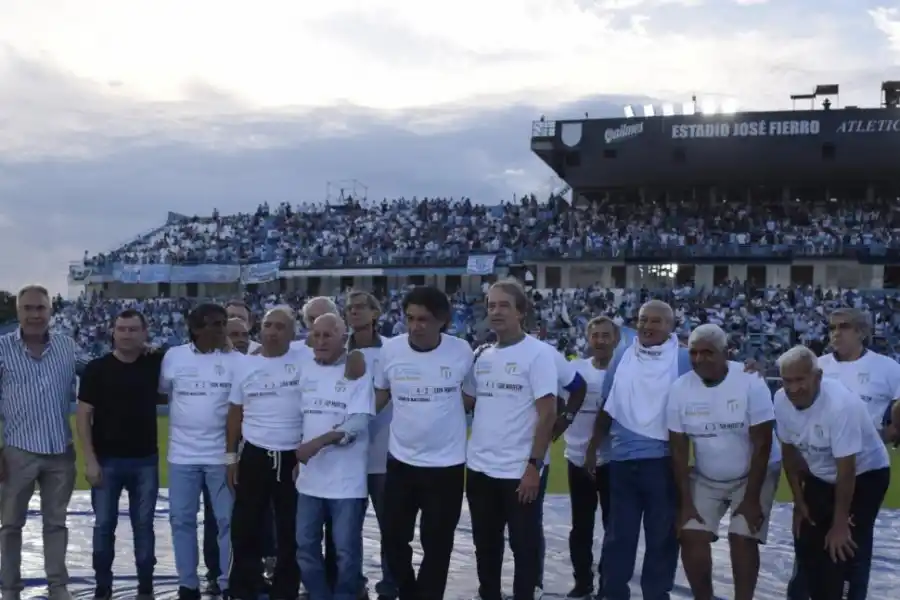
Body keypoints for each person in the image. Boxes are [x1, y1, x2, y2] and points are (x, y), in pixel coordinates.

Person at [667, 324, 781, 600]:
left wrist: (751, 499)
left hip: (754, 471)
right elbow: (679, 448)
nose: (699, 359)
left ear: (726, 352)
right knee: (691, 534)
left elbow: (763, 442)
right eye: (694, 352)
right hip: (707, 475)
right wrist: (685, 503)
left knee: (742, 535)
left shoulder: (750, 380)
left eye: (708, 352)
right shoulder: (680, 388)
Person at [374, 286, 473, 600]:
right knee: (392, 537)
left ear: (442, 320)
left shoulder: (461, 351)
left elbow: (470, 397)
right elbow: (380, 395)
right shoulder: (391, 351)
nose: (415, 326)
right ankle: (409, 590)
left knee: (438, 543)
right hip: (401, 462)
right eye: (410, 318)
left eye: (423, 320)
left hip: (446, 466)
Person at [462, 280, 558, 600]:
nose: (496, 311)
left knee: (524, 548)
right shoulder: (482, 355)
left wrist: (534, 465)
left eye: (504, 305)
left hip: (519, 471)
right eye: (491, 305)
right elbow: (467, 402)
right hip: (480, 468)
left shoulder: (539, 354)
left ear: (521, 312)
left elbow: (548, 415)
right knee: (485, 547)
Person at [776, 345, 890, 600]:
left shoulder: (840, 406)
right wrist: (799, 501)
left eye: (800, 380)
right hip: (821, 475)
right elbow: (789, 452)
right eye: (787, 381)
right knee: (807, 539)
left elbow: (847, 470)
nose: (793, 388)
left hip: (865, 474)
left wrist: (840, 523)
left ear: (817, 377)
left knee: (844, 548)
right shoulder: (781, 400)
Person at [596, 300, 692, 600]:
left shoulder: (684, 359)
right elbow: (607, 405)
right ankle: (612, 594)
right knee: (618, 538)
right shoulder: (622, 356)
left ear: (670, 326)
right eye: (642, 320)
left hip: (663, 463)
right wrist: (592, 449)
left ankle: (656, 595)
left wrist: (750, 369)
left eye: (656, 321)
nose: (648, 326)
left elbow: (719, 376)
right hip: (622, 461)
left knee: (661, 539)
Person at [76, 309, 164, 600]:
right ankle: (103, 587)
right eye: (122, 329)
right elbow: (83, 416)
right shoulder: (97, 369)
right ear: (113, 332)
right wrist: (89, 459)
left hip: (145, 460)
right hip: (107, 460)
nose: (127, 334)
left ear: (144, 333)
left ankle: (146, 588)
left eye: (133, 329)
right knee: (103, 526)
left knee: (144, 526)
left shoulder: (155, 362)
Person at [159, 303, 245, 600]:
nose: (222, 329)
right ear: (196, 329)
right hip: (182, 456)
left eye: (223, 323)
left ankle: (226, 581)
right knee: (181, 520)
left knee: (227, 521)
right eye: (215, 324)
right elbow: (164, 389)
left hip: (220, 457)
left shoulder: (237, 361)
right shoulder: (174, 357)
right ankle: (187, 584)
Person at [0, 285, 79, 600]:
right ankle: (8, 587)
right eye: (28, 308)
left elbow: (101, 373)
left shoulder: (68, 347)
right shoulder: (2, 348)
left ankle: (58, 586)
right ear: (18, 311)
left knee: (56, 524)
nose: (35, 315)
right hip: (17, 450)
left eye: (41, 308)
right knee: (9, 525)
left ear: (50, 311)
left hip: (60, 451)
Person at [294, 314, 375, 600]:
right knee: (305, 545)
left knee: (345, 551)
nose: (320, 341)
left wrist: (319, 442)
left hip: (346, 481)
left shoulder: (357, 372)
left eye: (328, 335)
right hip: (309, 480)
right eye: (316, 335)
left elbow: (358, 423)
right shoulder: (305, 369)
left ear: (344, 337)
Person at [226, 306, 304, 600]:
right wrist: (231, 457)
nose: (272, 331)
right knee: (245, 526)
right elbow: (235, 413)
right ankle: (244, 586)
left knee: (290, 528)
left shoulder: (305, 360)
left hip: (292, 457)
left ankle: (285, 590)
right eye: (268, 325)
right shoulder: (245, 366)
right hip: (255, 453)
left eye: (280, 326)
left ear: (293, 334)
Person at [346, 290, 396, 600]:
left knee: (390, 528)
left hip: (384, 453)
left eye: (360, 307)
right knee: (346, 531)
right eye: (349, 308)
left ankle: (390, 586)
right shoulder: (338, 349)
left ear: (375, 313)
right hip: (347, 455)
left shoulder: (393, 350)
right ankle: (353, 584)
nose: (353, 312)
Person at [565, 316, 619, 600]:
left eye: (605, 335)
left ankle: (608, 585)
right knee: (581, 527)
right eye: (595, 335)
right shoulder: (575, 369)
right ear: (588, 338)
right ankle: (582, 582)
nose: (599, 340)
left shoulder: (623, 372)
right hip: (576, 460)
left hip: (612, 461)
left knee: (614, 528)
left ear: (616, 339)